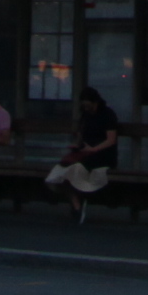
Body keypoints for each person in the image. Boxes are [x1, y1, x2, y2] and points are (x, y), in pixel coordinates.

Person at [44, 92, 121, 224]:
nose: (86, 109)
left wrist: (94, 149)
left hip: (103, 154)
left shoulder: (107, 114)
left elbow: (111, 140)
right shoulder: (85, 115)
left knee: (76, 168)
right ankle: (76, 204)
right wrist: (77, 145)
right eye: (84, 106)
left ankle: (80, 199)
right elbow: (81, 136)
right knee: (63, 169)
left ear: (95, 102)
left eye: (88, 106)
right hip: (85, 152)